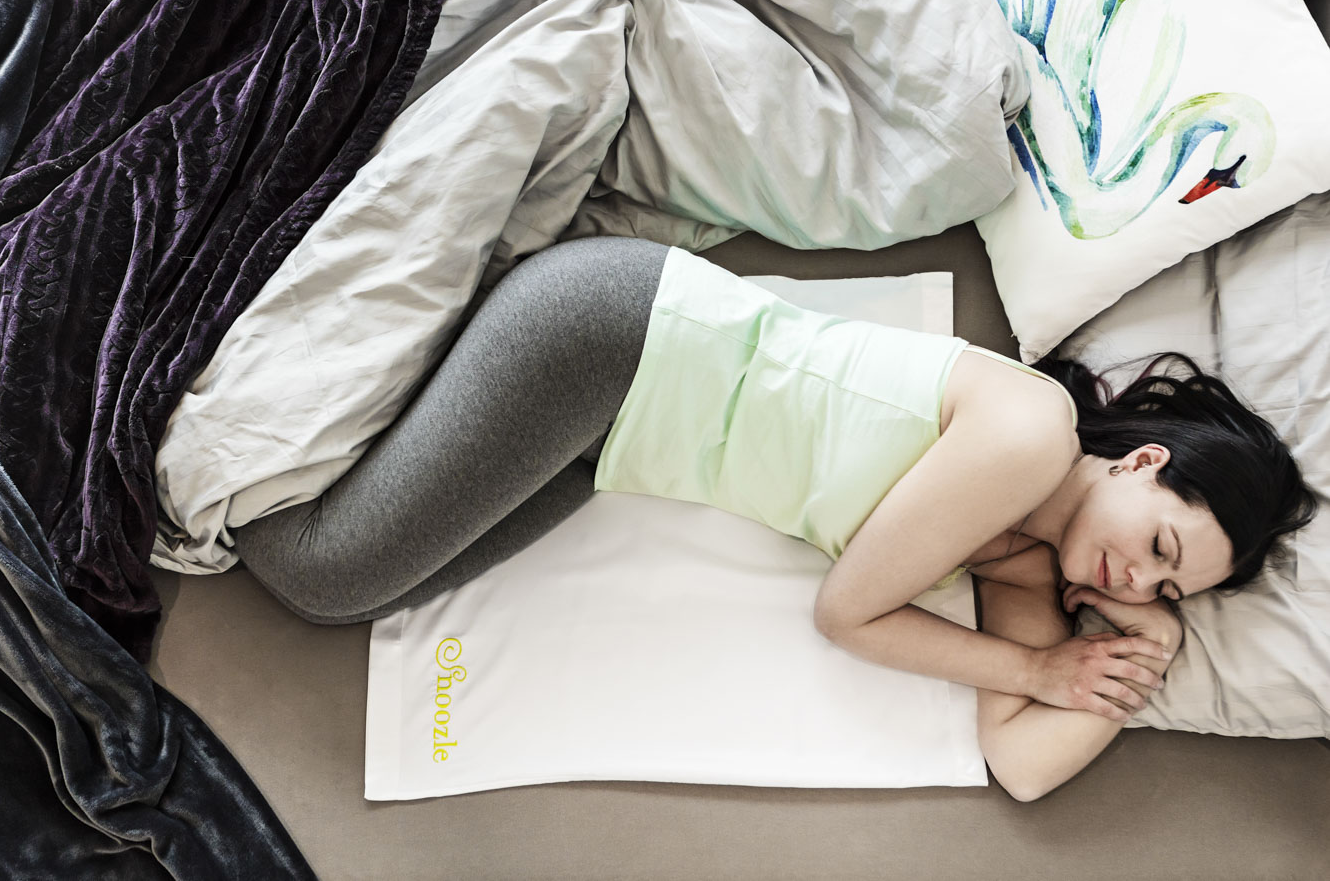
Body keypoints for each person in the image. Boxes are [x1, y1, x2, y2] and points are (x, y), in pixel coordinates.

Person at [230, 235, 1316, 801]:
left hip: (613, 443)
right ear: (1142, 459)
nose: (1133, 580)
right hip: (622, 335)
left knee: (353, 596)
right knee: (319, 573)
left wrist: (1147, 647)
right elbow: (848, 612)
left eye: (1164, 587)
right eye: (1159, 546)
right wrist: (1039, 669)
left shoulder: (1024, 567)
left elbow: (1022, 764)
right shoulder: (1032, 429)